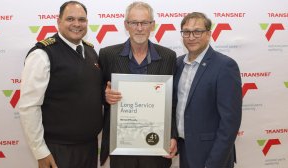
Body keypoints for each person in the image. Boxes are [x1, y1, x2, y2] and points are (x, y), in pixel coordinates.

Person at [18, 1, 103, 168]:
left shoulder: (91, 52)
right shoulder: (42, 54)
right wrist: (40, 151)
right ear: (59, 22)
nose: (77, 24)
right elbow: (29, 106)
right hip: (58, 150)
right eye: (70, 19)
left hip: (89, 146)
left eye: (82, 19)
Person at [99, 1, 178, 168]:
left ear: (153, 25)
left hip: (156, 143)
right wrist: (105, 96)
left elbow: (172, 102)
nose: (140, 28)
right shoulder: (107, 54)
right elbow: (96, 92)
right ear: (126, 25)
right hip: (121, 144)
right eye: (134, 22)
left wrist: (172, 136)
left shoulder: (168, 56)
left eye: (145, 22)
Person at [174, 12, 242, 168]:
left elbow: (230, 122)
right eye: (186, 32)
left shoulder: (225, 66)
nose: (191, 37)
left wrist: (214, 163)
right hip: (184, 149)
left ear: (209, 34)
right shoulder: (177, 64)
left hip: (212, 154)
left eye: (197, 31)